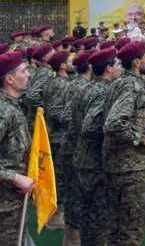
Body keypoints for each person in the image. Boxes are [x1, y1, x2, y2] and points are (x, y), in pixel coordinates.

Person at [103, 41, 145, 245]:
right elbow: (114, 123)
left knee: (117, 227)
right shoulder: (131, 86)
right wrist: (143, 139)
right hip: (130, 167)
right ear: (137, 62)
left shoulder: (119, 82)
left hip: (117, 164)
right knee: (130, 230)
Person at [75, 47, 121, 246]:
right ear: (109, 68)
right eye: (117, 64)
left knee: (89, 214)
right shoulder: (104, 91)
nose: (120, 68)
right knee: (99, 217)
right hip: (96, 161)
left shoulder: (85, 87)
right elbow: (89, 127)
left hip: (84, 158)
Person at [59, 50, 95, 246]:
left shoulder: (80, 85)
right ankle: (72, 238)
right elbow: (65, 116)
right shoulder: (80, 87)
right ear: (90, 67)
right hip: (74, 148)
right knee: (74, 194)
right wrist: (81, 127)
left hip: (76, 147)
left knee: (77, 193)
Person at [0, 52, 34, 245]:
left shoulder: (12, 105)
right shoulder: (3, 112)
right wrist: (15, 177)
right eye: (24, 71)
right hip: (4, 204)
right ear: (9, 79)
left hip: (13, 201)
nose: (28, 75)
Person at [43, 50, 74, 230]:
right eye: (69, 60)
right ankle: (54, 216)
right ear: (62, 66)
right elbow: (55, 111)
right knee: (59, 179)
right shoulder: (60, 84)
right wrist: (71, 119)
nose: (72, 62)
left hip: (58, 137)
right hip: (58, 138)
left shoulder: (59, 82)